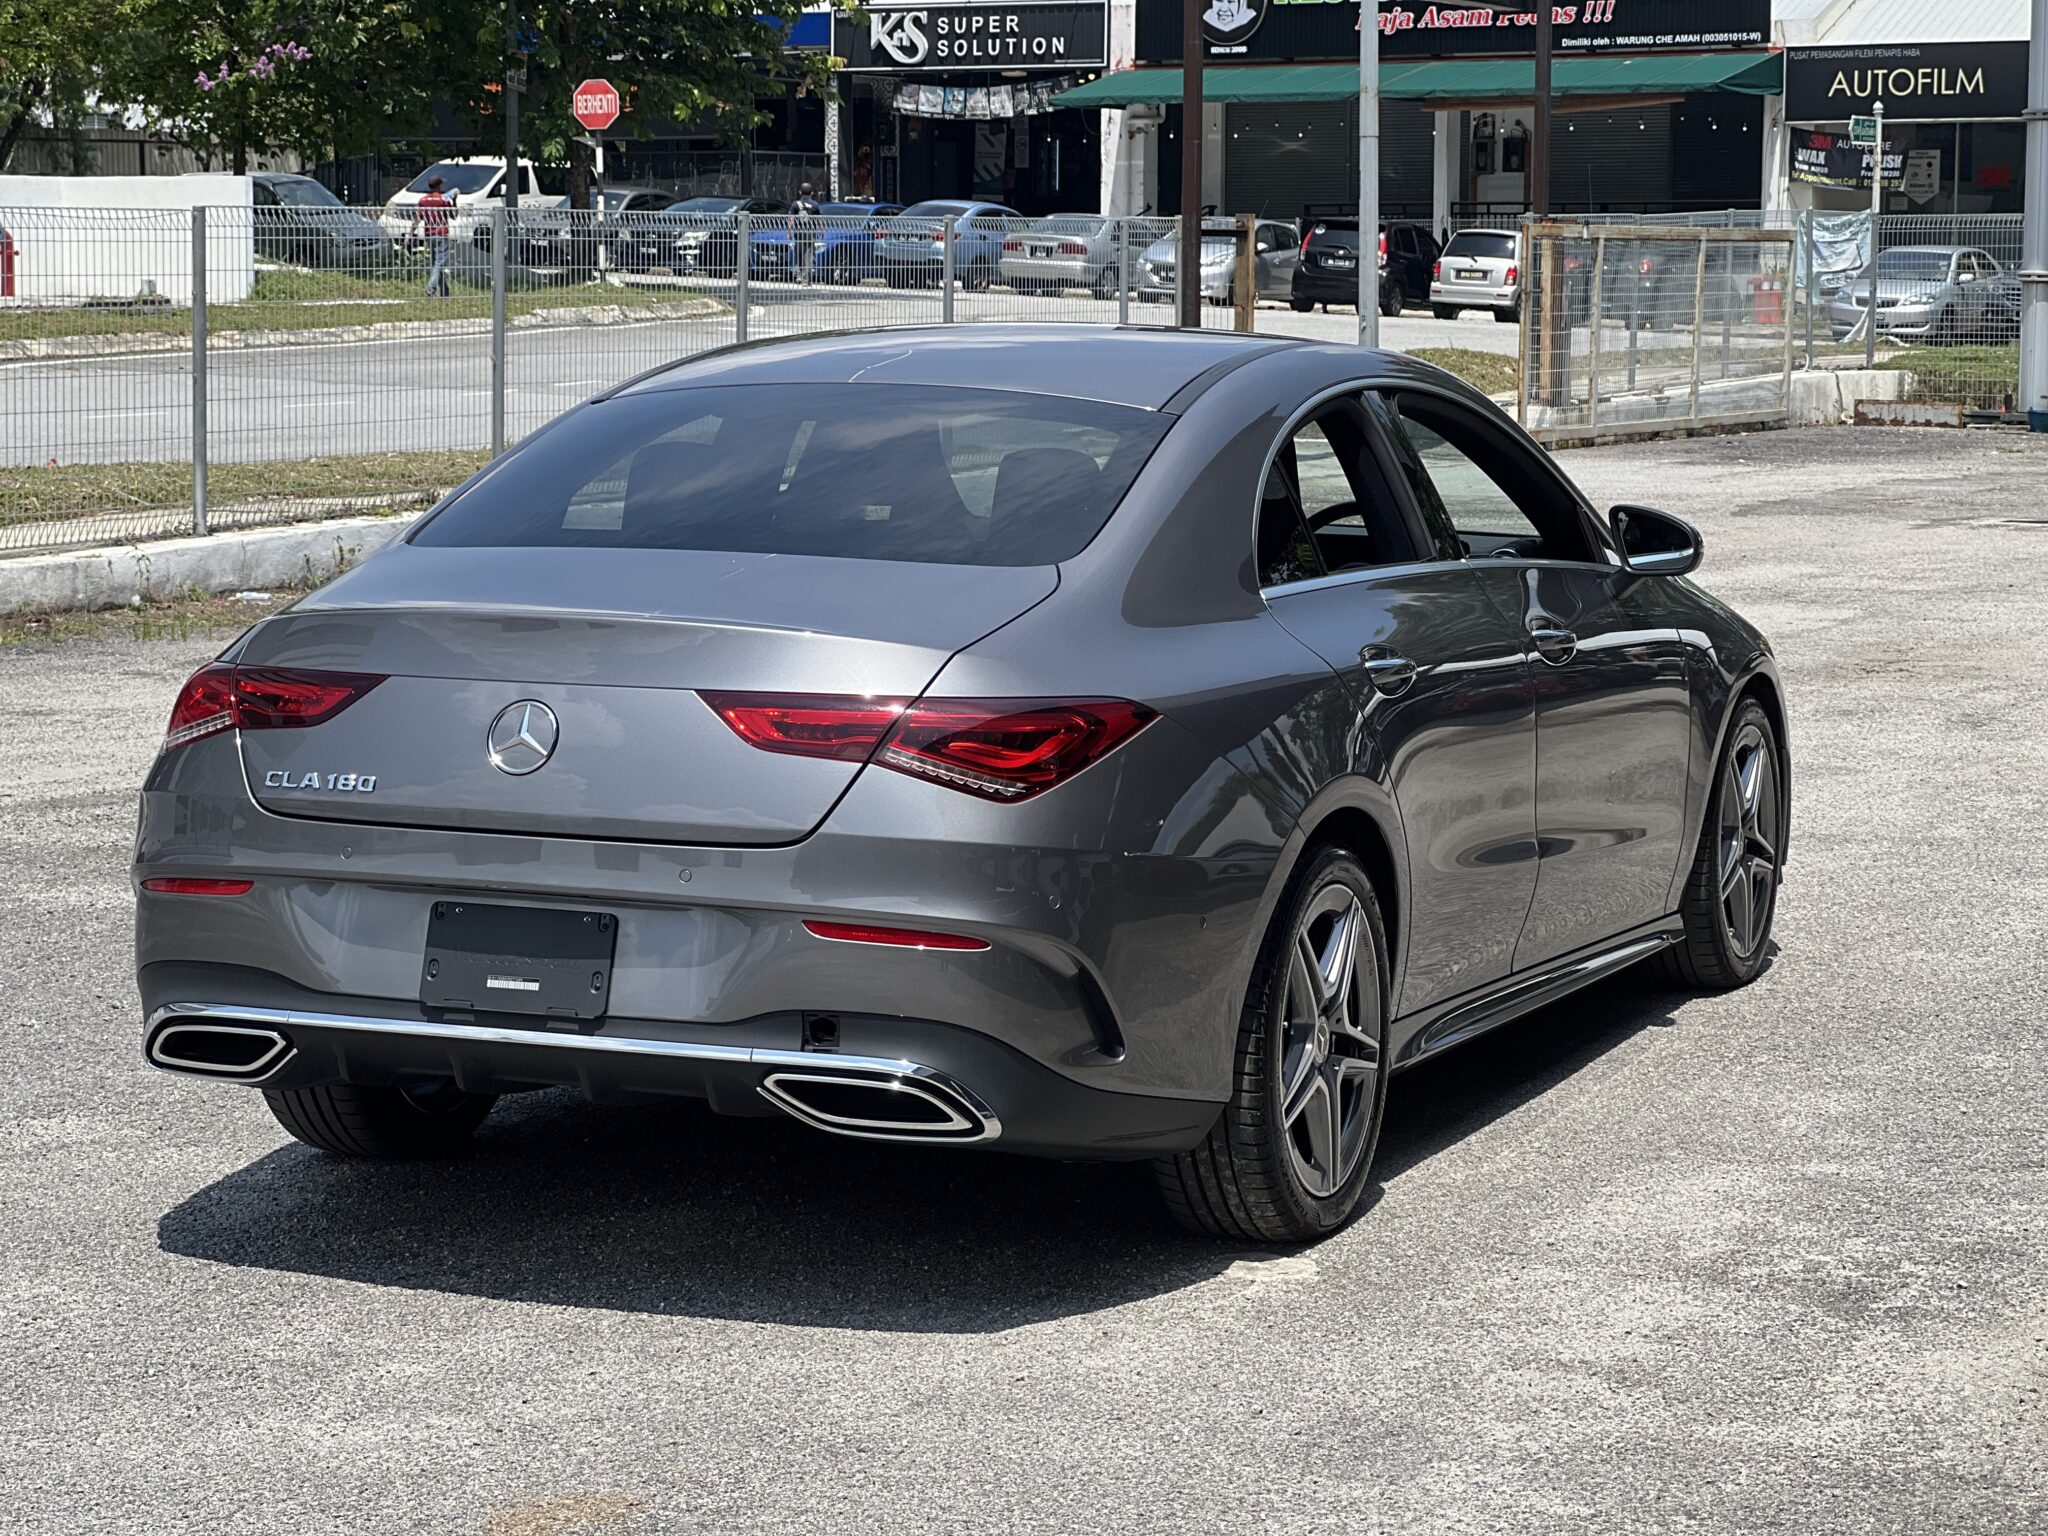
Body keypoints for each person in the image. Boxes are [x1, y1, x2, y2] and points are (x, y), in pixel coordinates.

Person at [410, 176, 455, 298]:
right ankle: (430, 289)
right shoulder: (443, 199)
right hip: (441, 233)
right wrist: (454, 200)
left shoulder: (423, 200)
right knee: (439, 263)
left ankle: (445, 293)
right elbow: (453, 215)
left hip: (429, 234)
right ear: (439, 186)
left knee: (437, 263)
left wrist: (410, 234)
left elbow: (418, 218)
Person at [788, 181, 821, 286]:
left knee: (799, 255)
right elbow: (820, 219)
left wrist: (790, 232)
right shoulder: (815, 204)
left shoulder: (795, 204)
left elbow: (791, 219)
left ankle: (798, 275)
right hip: (810, 233)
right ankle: (806, 279)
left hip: (799, 233)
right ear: (812, 193)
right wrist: (822, 229)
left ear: (799, 192)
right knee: (808, 256)